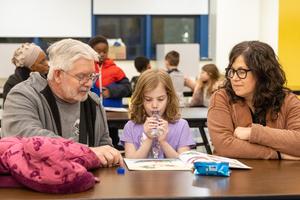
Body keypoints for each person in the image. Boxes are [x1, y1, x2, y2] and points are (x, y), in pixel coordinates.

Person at [1, 39, 123, 167]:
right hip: (34, 185)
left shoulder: (93, 102)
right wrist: (87, 152)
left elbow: (104, 146)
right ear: (58, 74)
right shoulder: (22, 96)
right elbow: (30, 141)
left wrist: (109, 155)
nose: (89, 84)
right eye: (81, 76)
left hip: (87, 182)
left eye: (92, 76)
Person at [207, 41, 300, 160]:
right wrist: (277, 154)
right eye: (232, 71)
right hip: (233, 176)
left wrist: (253, 133)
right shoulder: (222, 98)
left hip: (279, 176)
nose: (234, 78)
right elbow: (224, 146)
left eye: (241, 72)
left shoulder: (288, 100)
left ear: (262, 73)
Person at [120, 69, 195, 159]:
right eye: (148, 99)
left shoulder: (181, 126)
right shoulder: (131, 127)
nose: (154, 105)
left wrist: (163, 142)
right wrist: (149, 139)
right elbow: (130, 163)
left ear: (169, 98)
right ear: (140, 99)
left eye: (160, 99)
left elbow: (184, 163)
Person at [88, 35, 131, 107]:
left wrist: (111, 91)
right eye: (98, 52)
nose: (102, 54)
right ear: (90, 51)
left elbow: (127, 88)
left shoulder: (116, 70)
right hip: (92, 111)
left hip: (113, 111)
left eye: (104, 52)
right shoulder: (86, 69)